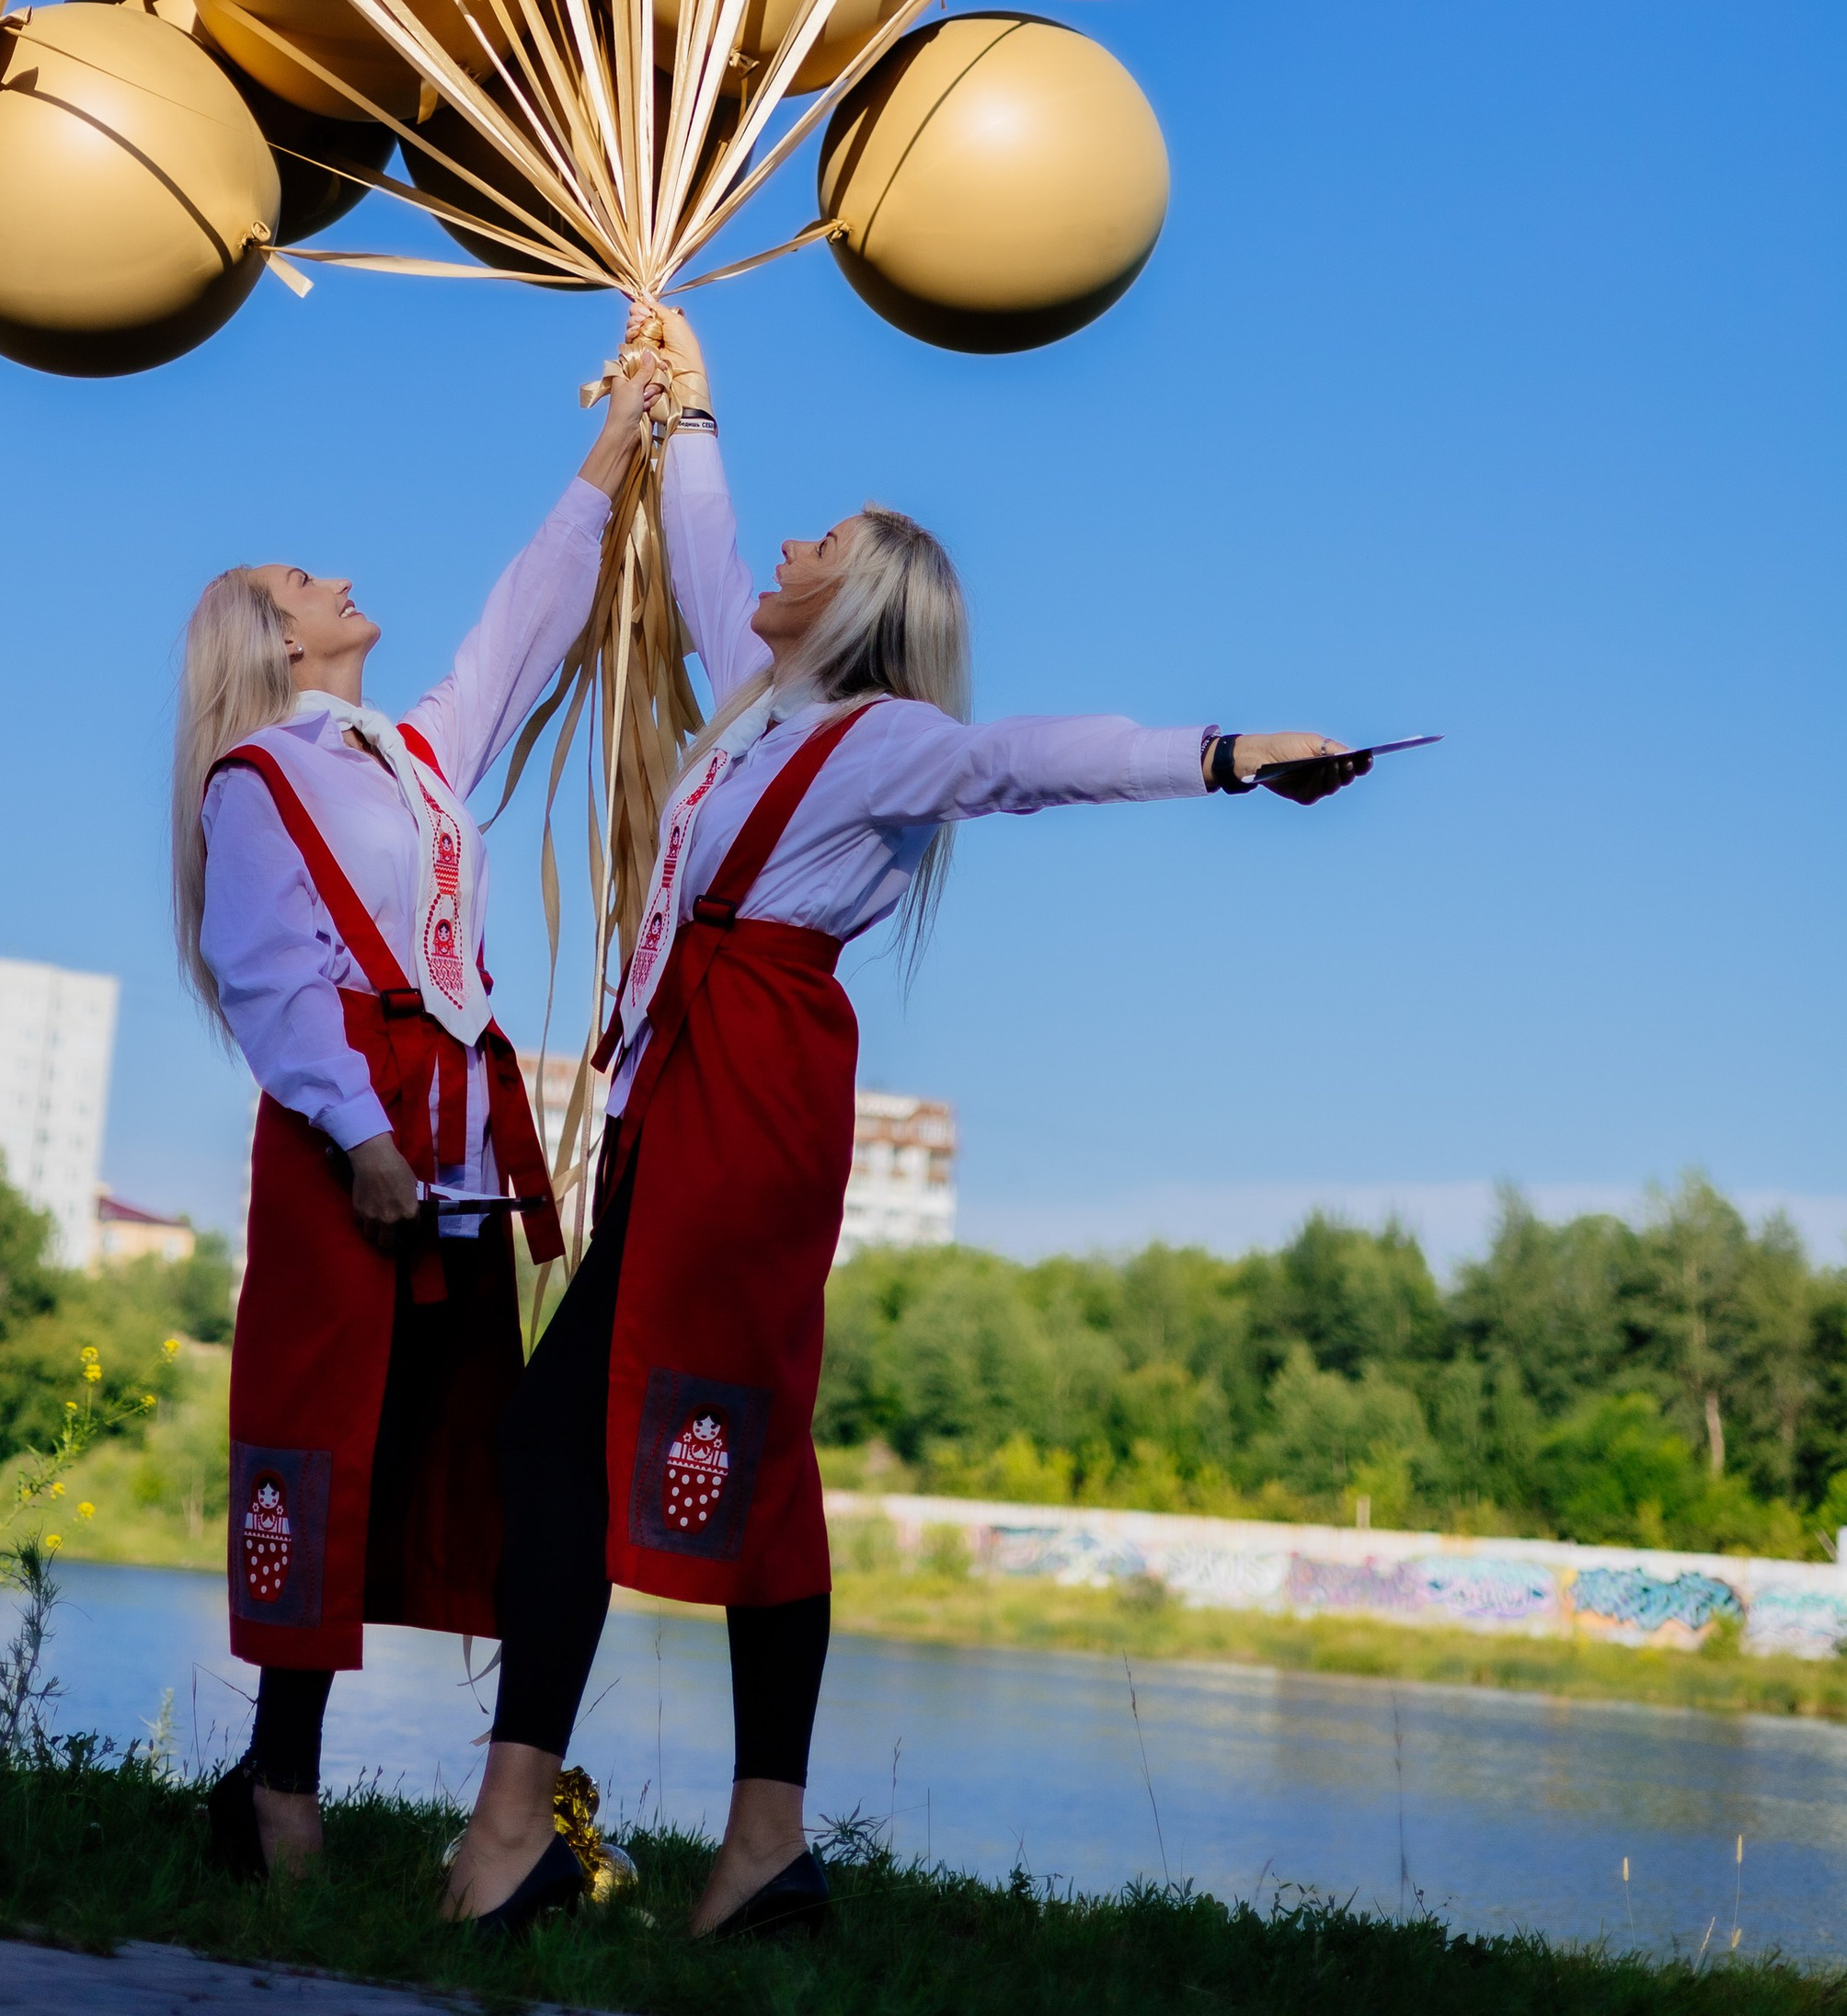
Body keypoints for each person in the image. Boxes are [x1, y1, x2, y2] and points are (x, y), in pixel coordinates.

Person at [444, 308, 1371, 1939]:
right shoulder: (761, 689)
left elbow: (1033, 761)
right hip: (685, 1094)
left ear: (861, 603)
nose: (788, 546)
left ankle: (549, 1831)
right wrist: (701, 412)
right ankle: (734, 1845)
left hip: (752, 1111)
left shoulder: (884, 743)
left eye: (829, 542)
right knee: (625, 1442)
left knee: (646, 1440)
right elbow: (722, 540)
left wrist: (1228, 755)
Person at [178, 342, 670, 1879]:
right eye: (303, 578)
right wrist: (362, 1135)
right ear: (272, 640)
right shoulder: (259, 776)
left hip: (445, 1142)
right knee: (319, 1451)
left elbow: (522, 627)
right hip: (355, 1142)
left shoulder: (409, 757)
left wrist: (614, 457)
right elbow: (264, 977)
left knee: (449, 1445)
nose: (338, 577)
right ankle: (282, 1789)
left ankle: (446, 1799)